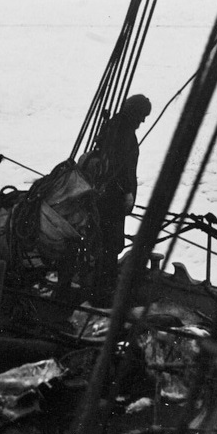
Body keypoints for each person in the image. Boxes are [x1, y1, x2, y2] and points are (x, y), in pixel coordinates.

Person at [87, 93, 151, 300]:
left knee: (104, 242)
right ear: (134, 112)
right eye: (141, 116)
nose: (142, 122)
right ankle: (104, 290)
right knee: (111, 243)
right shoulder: (123, 132)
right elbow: (120, 167)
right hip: (112, 198)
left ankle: (101, 284)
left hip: (104, 195)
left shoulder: (113, 126)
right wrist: (127, 193)